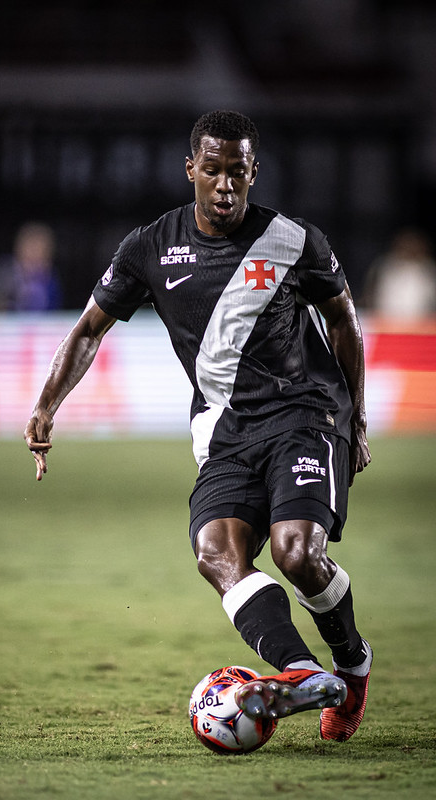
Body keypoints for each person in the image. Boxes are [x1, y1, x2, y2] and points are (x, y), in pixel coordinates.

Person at [24, 110, 372, 742]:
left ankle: (351, 665)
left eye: (237, 172)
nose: (224, 186)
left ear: (252, 172)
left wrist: (359, 418)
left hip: (305, 416)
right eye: (211, 171)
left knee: (297, 554)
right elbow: (88, 330)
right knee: (215, 553)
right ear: (191, 169)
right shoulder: (151, 247)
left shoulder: (294, 240)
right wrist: (47, 404)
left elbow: (345, 321)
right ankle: (302, 673)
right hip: (226, 435)